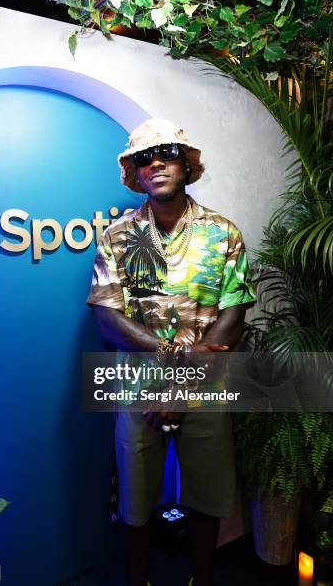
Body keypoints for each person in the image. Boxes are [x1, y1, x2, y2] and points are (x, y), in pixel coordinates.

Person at [86, 119, 256, 586]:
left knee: (207, 496)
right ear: (135, 173)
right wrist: (169, 355)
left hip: (205, 390)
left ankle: (200, 578)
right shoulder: (116, 237)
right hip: (139, 391)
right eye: (144, 157)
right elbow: (106, 314)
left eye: (166, 152)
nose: (156, 162)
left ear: (186, 162)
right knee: (136, 502)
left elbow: (235, 311)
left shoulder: (223, 232)